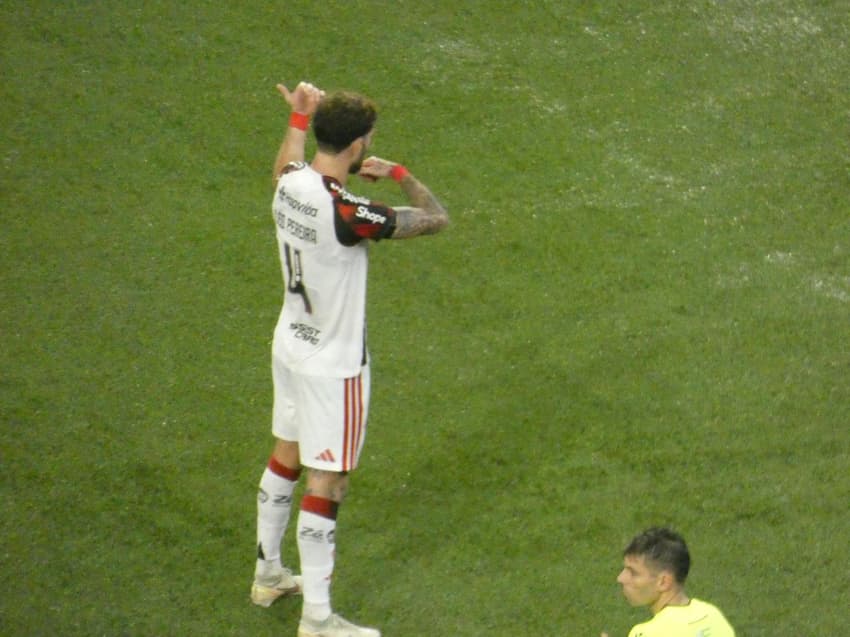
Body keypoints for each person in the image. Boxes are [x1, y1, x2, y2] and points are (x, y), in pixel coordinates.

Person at [250, 80, 449, 637]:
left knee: (286, 454)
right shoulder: (350, 210)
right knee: (328, 483)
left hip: (289, 345)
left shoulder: (291, 184)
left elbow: (284, 166)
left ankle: (268, 573)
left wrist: (295, 118)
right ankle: (317, 618)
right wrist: (403, 176)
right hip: (333, 365)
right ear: (361, 145)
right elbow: (436, 218)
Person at [602, 527, 735, 637]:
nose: (621, 578)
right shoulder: (712, 614)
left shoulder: (648, 633)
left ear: (663, 582)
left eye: (633, 573)